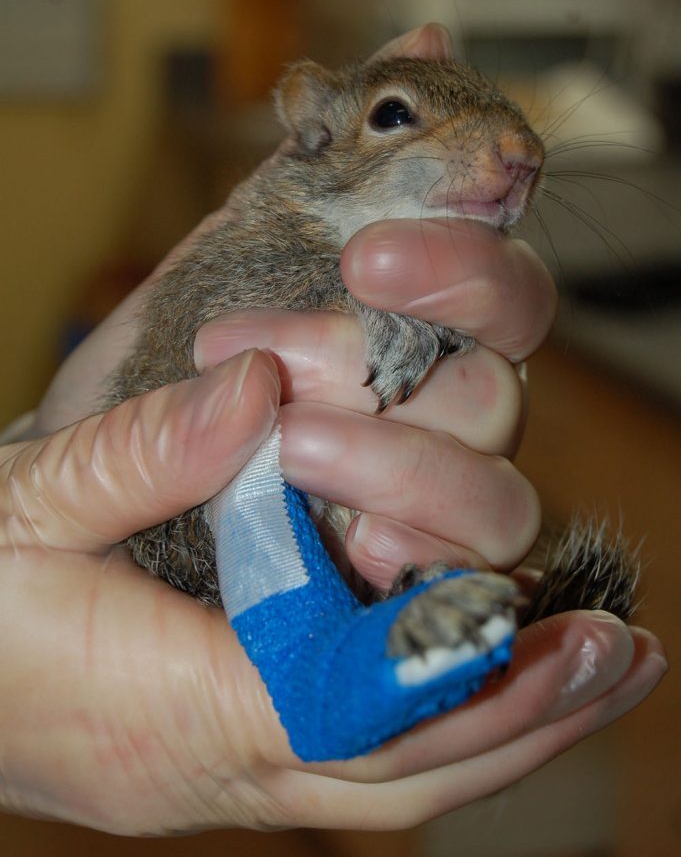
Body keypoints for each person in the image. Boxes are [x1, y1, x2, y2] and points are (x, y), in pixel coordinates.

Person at [0, 215, 665, 836]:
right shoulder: (283, 243)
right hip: (248, 531)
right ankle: (382, 657)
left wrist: (38, 446)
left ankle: (396, 643)